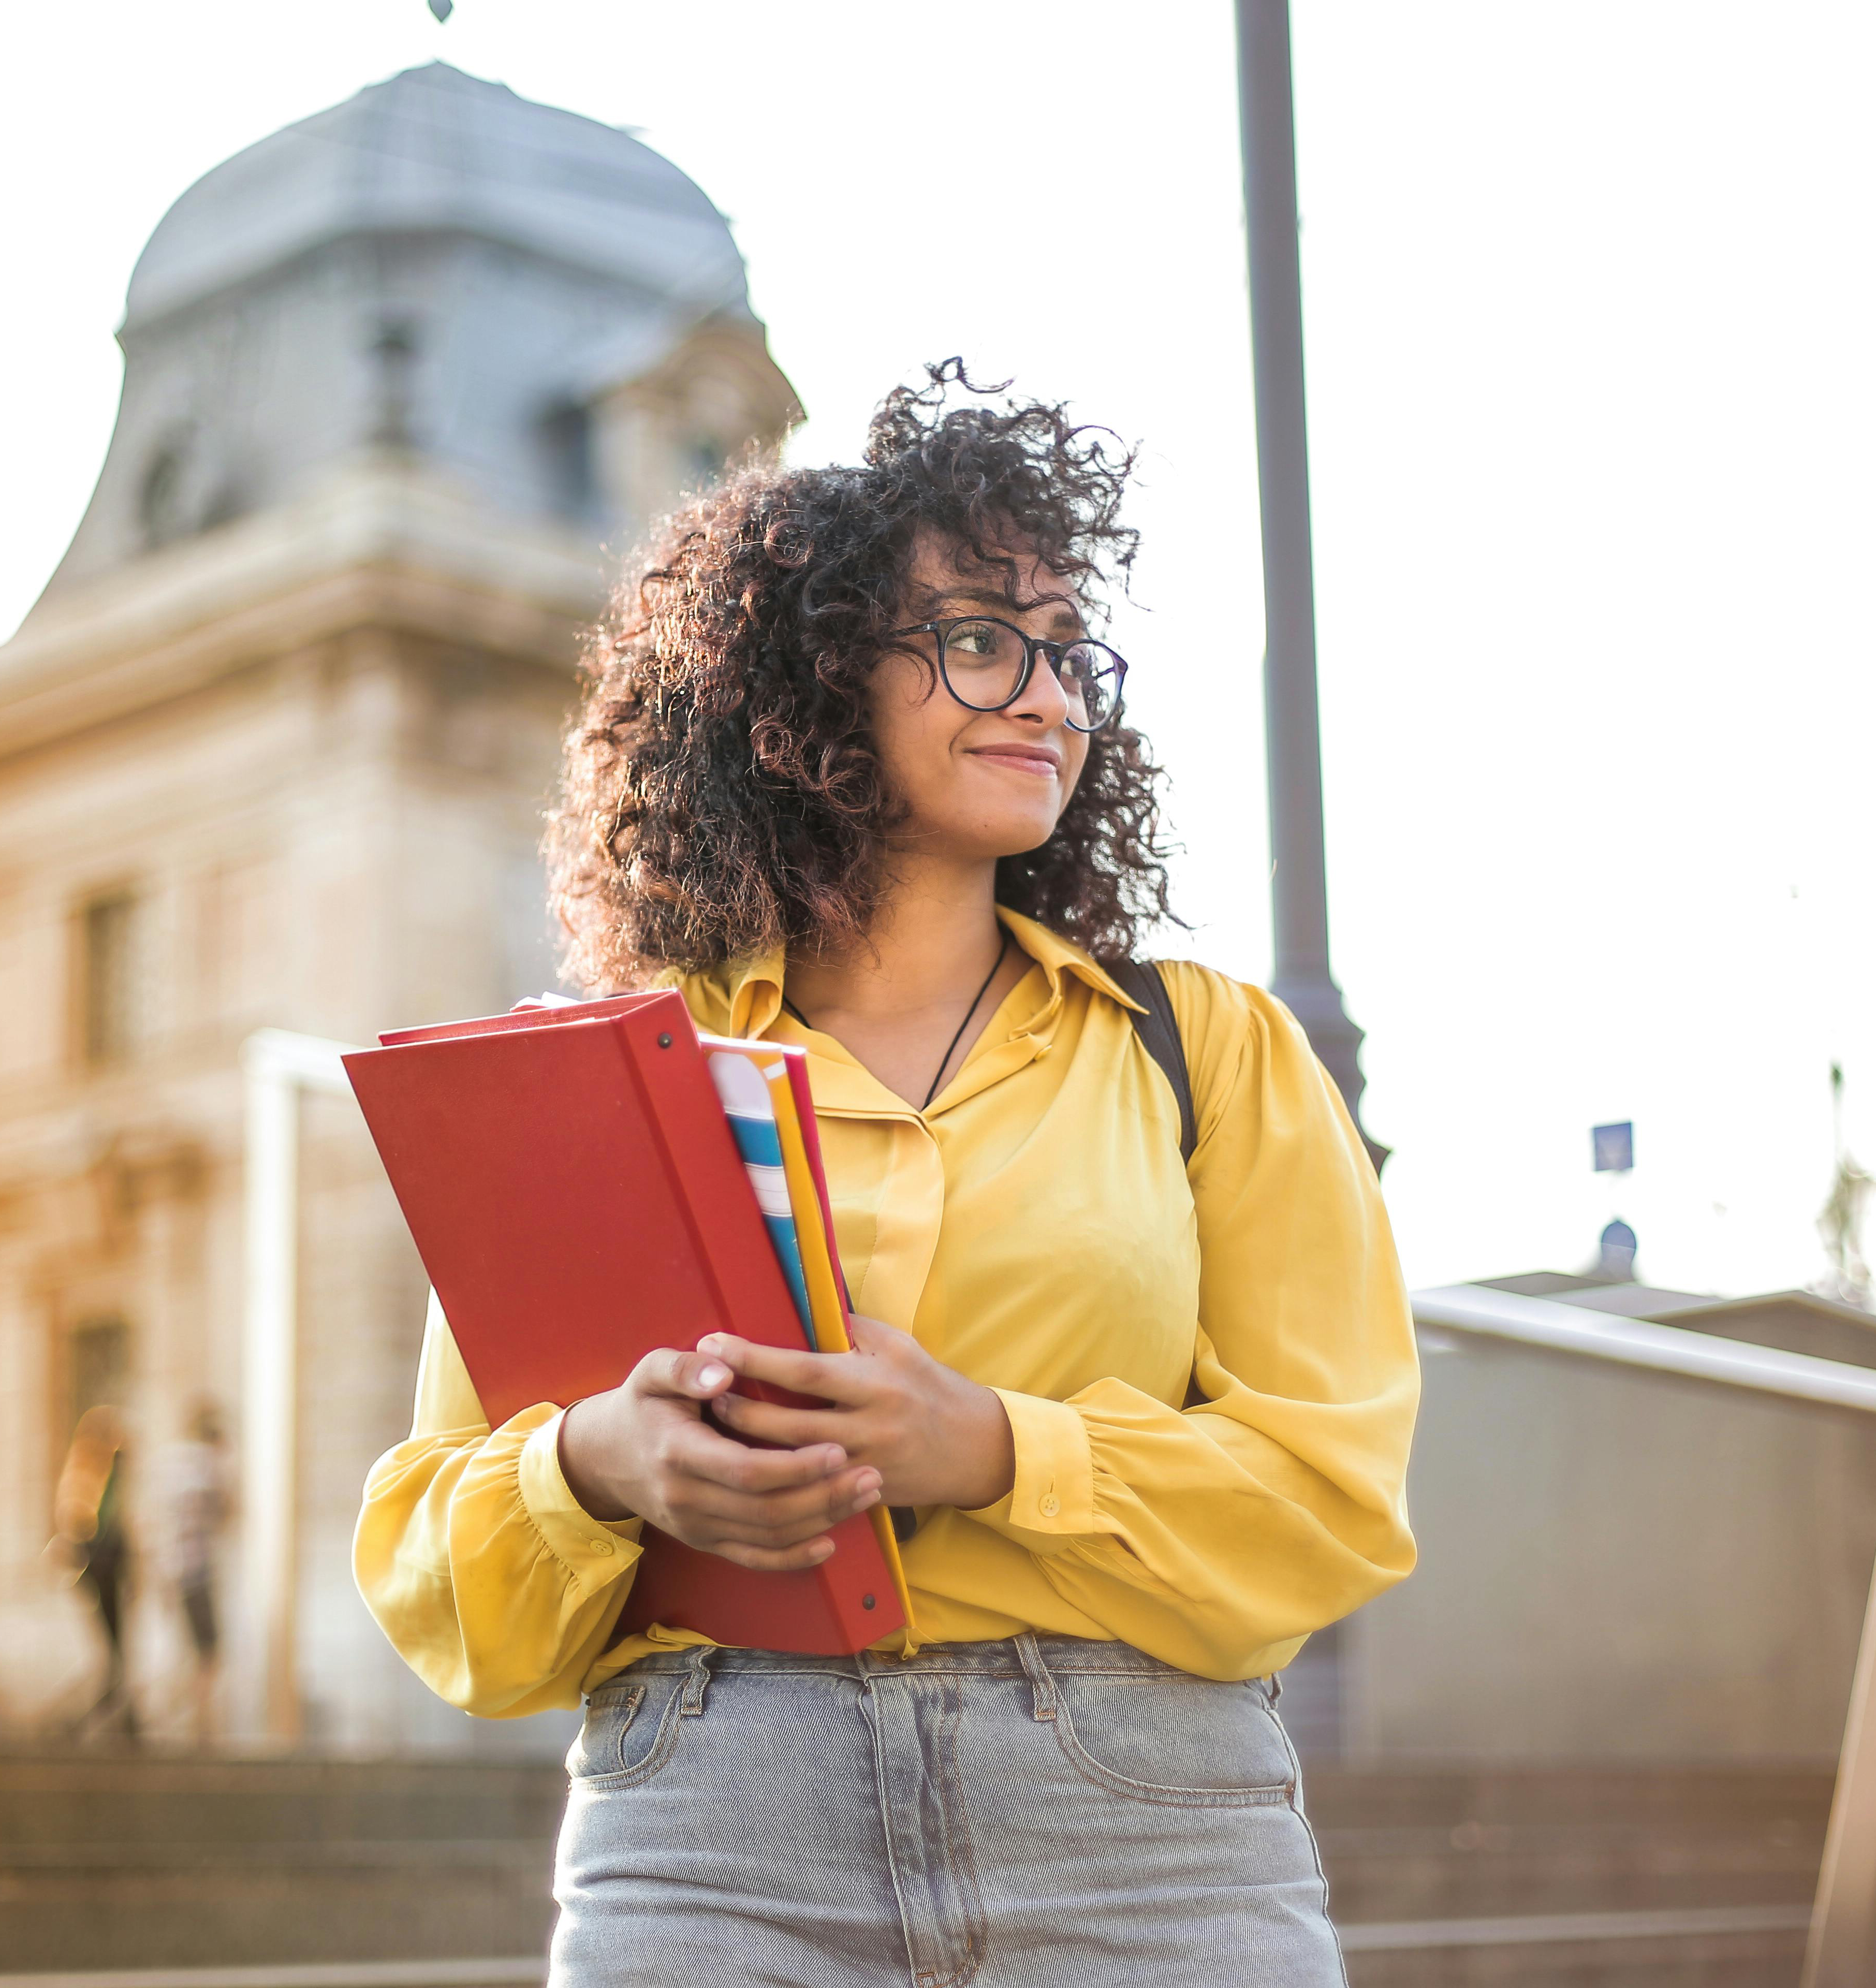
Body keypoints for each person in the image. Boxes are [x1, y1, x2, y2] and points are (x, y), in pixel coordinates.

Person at [356, 362, 1419, 1986]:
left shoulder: (1206, 1051)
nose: (1050, 694)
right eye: (982, 638)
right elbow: (444, 1570)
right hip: (709, 1826)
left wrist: (996, 1445)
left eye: (1070, 651)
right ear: (810, 675)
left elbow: (1332, 1500)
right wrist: (594, 1464)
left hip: (1141, 1826)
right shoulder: (616, 1078)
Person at [53, 1404, 137, 1741]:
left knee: (117, 1646)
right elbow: (77, 1523)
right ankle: (112, 1716)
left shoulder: (109, 1477)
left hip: (109, 1570)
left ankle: (126, 1718)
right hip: (99, 1569)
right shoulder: (87, 1476)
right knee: (112, 1647)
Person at [151, 1399, 231, 1745]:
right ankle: (199, 1724)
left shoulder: (170, 1465)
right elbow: (225, 1511)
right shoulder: (205, 1467)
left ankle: (183, 1722)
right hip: (196, 1570)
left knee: (185, 1648)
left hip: (170, 1568)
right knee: (208, 1651)